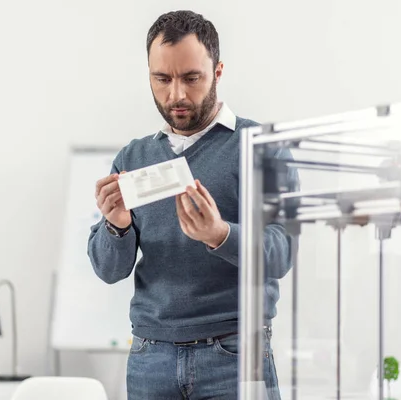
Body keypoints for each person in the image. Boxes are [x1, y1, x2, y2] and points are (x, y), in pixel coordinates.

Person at [87, 10, 298, 400]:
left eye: (191, 78)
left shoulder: (262, 149)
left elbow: (282, 254)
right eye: (162, 79)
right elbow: (108, 269)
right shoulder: (133, 157)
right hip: (150, 357)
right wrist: (116, 226)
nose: (176, 95)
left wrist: (220, 235)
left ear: (217, 72)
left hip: (233, 356)